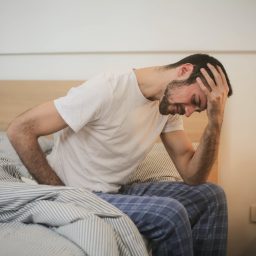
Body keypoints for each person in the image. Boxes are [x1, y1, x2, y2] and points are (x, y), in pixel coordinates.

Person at [7, 53, 233, 256]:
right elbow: (20, 129)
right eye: (194, 101)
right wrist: (63, 194)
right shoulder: (107, 89)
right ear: (183, 70)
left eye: (199, 109)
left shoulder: (168, 107)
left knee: (211, 196)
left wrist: (215, 123)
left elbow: (193, 176)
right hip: (79, 191)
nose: (190, 112)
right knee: (170, 214)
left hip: (114, 191)